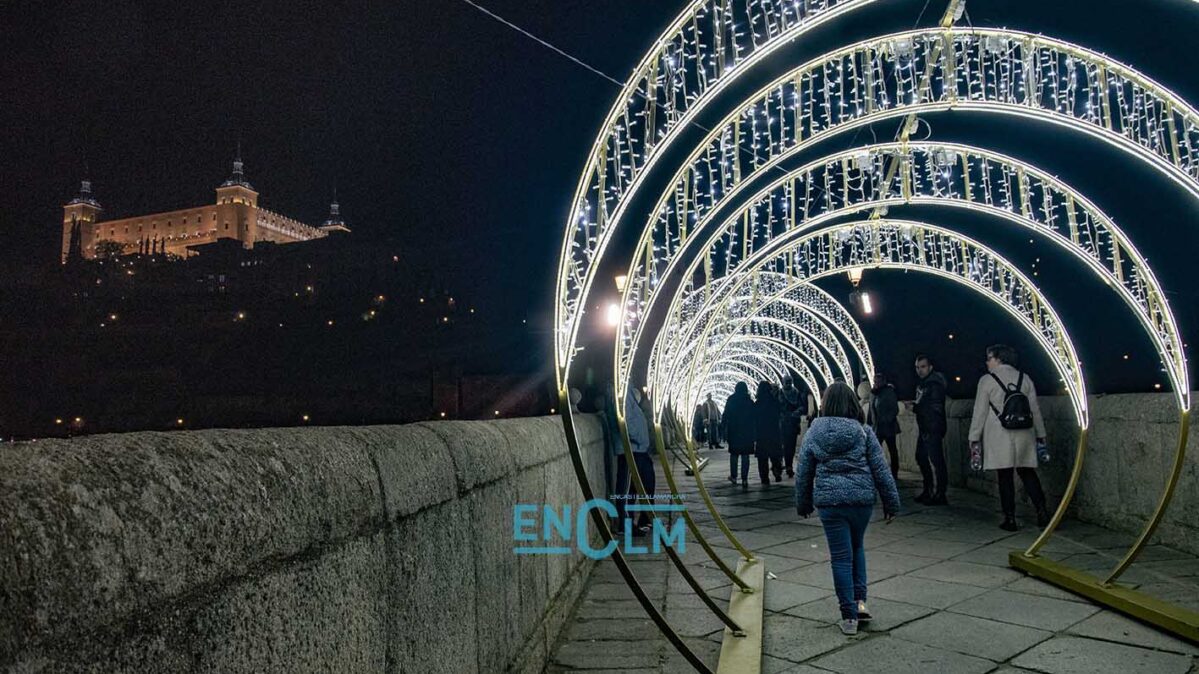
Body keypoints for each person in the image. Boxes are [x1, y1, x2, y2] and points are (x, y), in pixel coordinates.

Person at [795, 382, 901, 636]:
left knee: (841, 557)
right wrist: (891, 502)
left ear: (825, 404)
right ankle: (860, 602)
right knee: (857, 548)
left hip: (830, 503)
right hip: (861, 502)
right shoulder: (863, 431)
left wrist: (803, 503)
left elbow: (803, 472)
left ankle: (848, 616)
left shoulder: (814, 432)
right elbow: (880, 469)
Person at [969, 344, 1051, 531]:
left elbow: (979, 412)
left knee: (1004, 476)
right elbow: (1035, 410)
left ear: (999, 359)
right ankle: (1042, 511)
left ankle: (1010, 518)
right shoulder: (1025, 378)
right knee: (1027, 472)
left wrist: (974, 437)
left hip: (999, 433)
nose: (987, 362)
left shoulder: (987, 380)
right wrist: (1041, 435)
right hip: (1024, 431)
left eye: (989, 358)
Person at [906, 354, 948, 505]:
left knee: (936, 461)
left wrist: (915, 407)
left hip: (933, 427)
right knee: (921, 457)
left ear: (930, 367)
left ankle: (939, 493)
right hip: (926, 427)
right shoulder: (925, 384)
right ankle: (929, 490)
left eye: (923, 367)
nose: (919, 370)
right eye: (917, 367)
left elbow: (935, 407)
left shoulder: (934, 384)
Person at [613, 388, 656, 535]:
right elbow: (626, 420)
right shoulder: (620, 389)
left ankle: (647, 519)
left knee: (646, 484)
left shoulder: (627, 388)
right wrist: (638, 437)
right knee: (627, 490)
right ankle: (625, 526)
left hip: (638, 449)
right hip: (630, 449)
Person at [721, 382, 755, 488]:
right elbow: (754, 417)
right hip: (747, 431)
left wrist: (723, 427)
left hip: (734, 430)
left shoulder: (731, 400)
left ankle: (734, 477)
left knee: (734, 454)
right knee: (745, 455)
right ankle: (744, 479)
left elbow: (725, 414)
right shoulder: (749, 401)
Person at [870, 372, 901, 482]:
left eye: (878, 381)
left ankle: (894, 473)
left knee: (892, 450)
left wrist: (886, 420)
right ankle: (877, 473)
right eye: (875, 381)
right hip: (877, 428)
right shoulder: (873, 393)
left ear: (883, 381)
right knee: (875, 452)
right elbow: (871, 410)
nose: (876, 383)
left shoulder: (889, 392)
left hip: (888, 427)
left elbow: (895, 409)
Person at [754, 380, 785, 485]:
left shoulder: (757, 403)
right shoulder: (774, 401)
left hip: (762, 433)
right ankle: (777, 471)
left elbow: (754, 419)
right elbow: (780, 413)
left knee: (762, 458)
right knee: (775, 454)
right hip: (774, 431)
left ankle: (764, 478)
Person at [778, 375, 807, 477]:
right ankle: (784, 465)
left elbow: (802, 406)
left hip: (792, 423)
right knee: (785, 446)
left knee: (790, 446)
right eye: (786, 382)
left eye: (789, 382)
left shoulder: (795, 393)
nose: (788, 384)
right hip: (784, 423)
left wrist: (795, 413)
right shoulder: (780, 393)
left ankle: (788, 466)